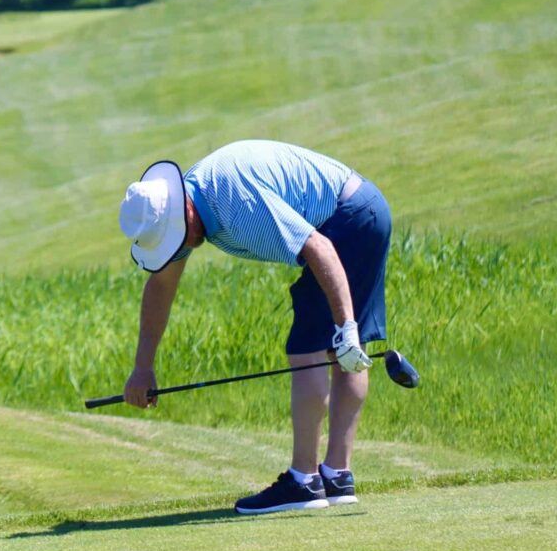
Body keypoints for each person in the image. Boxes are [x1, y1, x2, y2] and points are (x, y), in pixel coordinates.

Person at [118, 140, 391, 514]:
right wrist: (143, 366)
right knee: (332, 348)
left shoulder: (233, 204)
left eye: (177, 237)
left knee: (309, 347)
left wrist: (346, 326)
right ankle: (336, 476)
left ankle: (305, 481)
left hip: (349, 219)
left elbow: (318, 247)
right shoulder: (188, 209)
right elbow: (161, 284)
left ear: (182, 209)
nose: (181, 247)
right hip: (360, 212)